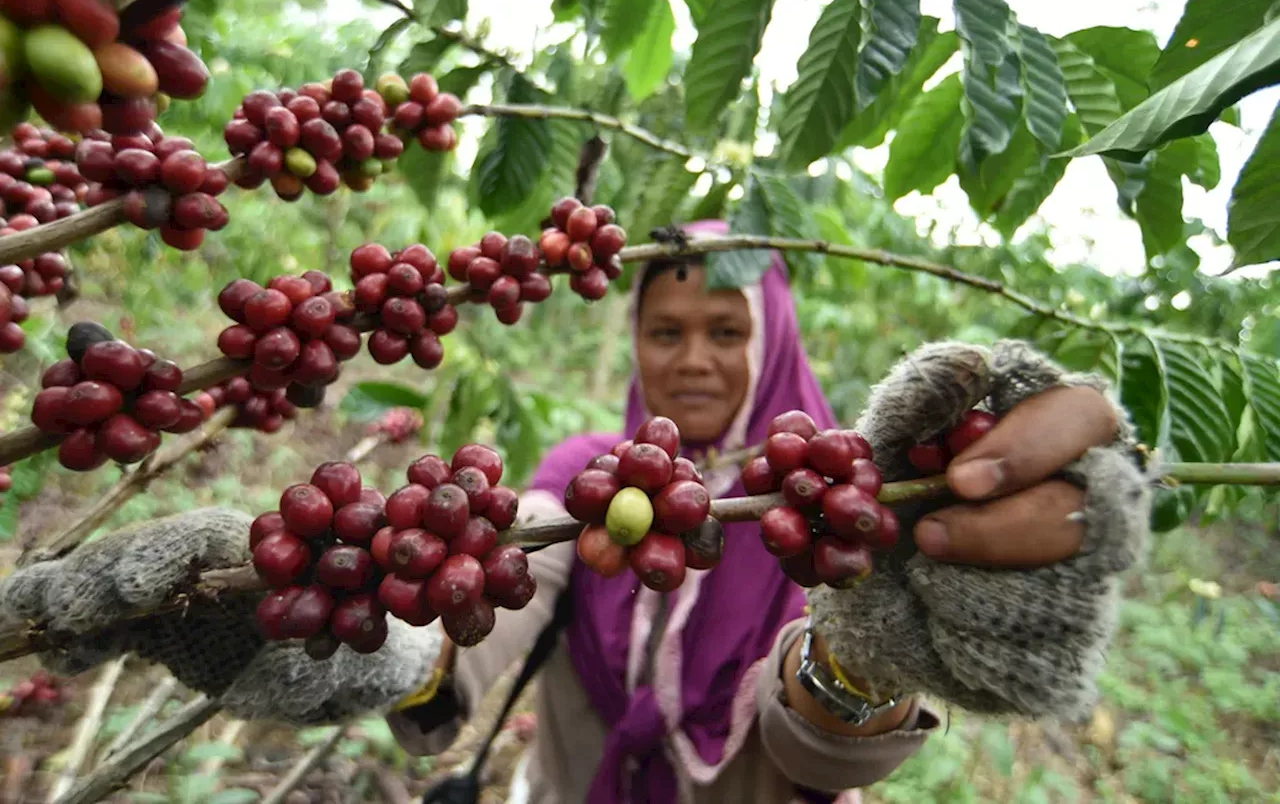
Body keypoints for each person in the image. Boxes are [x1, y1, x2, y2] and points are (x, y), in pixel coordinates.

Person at [0, 221, 1152, 803]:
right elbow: (502, 601)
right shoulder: (588, 472)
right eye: (665, 331)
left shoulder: (835, 504)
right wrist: (388, 653)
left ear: (775, 341)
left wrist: (862, 653)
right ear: (632, 342)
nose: (692, 361)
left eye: (725, 331)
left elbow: (806, 749)